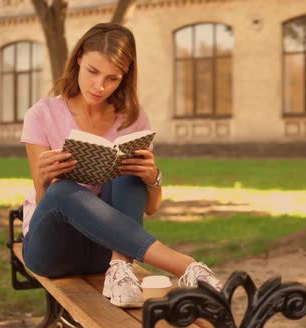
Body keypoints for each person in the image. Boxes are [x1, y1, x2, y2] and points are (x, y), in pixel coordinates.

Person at [20, 23, 222, 308]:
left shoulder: (131, 119)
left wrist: (152, 177)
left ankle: (120, 271)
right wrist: (43, 180)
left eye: (112, 78)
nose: (99, 86)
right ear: (78, 57)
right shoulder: (41, 115)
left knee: (130, 175)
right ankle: (185, 266)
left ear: (124, 77)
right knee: (62, 191)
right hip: (52, 250)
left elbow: (150, 208)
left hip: (108, 251)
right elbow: (45, 201)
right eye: (92, 71)